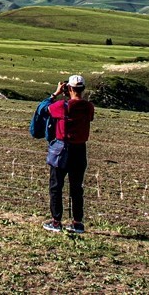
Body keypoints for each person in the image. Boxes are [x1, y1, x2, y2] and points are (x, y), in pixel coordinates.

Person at [41, 74, 95, 234]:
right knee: (77, 188)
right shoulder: (89, 107)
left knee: (56, 186)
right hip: (80, 150)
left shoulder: (61, 106)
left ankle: (56, 222)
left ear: (69, 88)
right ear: (83, 89)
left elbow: (44, 108)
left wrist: (55, 93)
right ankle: (77, 222)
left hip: (62, 150)